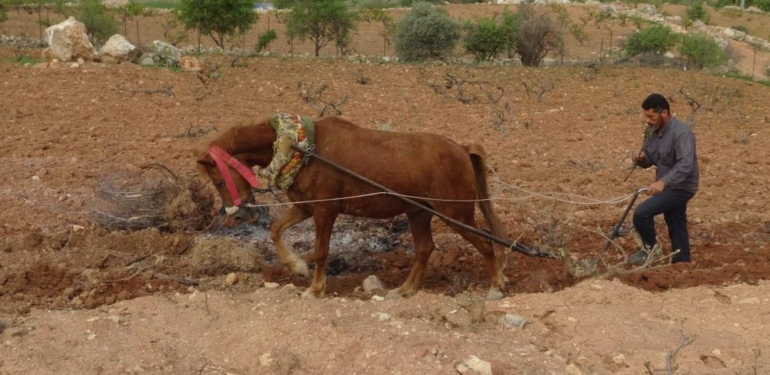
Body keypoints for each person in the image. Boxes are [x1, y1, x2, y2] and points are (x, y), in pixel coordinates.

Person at [628, 93, 699, 265]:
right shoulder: (654, 132)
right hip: (669, 187)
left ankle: (650, 250)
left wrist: (662, 182)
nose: (648, 121)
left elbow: (685, 164)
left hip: (682, 187)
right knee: (675, 222)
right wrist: (640, 158)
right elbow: (650, 159)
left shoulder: (681, 132)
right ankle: (682, 263)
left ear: (664, 113)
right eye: (647, 117)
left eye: (651, 116)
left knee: (642, 213)